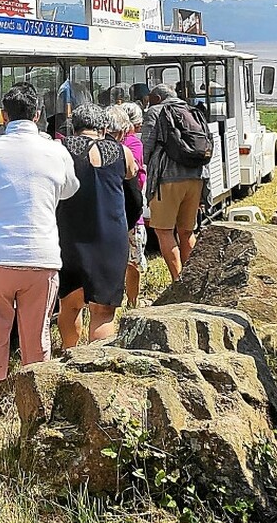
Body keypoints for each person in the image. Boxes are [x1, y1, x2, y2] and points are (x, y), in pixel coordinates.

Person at [0, 83, 79, 417]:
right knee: (36, 332)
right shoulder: (56, 151)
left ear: (3, 114)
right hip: (40, 254)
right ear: (38, 113)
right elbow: (69, 189)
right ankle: (36, 402)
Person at [56, 104, 137, 348]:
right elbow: (133, 187)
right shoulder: (123, 152)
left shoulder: (60, 150)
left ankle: (68, 354)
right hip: (109, 237)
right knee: (103, 312)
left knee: (69, 305)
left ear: (74, 127)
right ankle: (96, 367)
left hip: (69, 235)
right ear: (104, 128)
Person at [141, 84, 207, 282]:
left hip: (167, 179)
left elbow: (146, 147)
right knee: (187, 231)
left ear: (158, 98)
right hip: (195, 177)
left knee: (163, 231)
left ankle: (178, 282)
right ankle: (192, 278)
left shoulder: (155, 111)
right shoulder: (190, 110)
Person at [115, 103, 148, 309]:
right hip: (131, 213)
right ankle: (131, 302)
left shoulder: (105, 146)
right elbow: (136, 178)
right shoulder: (134, 144)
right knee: (132, 262)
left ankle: (130, 301)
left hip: (119, 210)